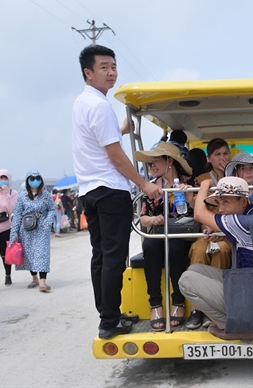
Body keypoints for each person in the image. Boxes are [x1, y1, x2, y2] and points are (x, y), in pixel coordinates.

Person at [72, 44, 161, 340]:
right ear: (88, 72)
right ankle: (110, 321)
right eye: (104, 67)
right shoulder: (99, 106)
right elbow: (115, 157)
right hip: (110, 191)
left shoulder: (82, 103)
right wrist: (145, 183)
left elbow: (100, 142)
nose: (111, 72)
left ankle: (106, 316)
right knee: (114, 257)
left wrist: (121, 130)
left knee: (101, 255)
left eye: (113, 66)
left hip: (90, 190)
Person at [179, 176, 253, 341]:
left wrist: (205, 184)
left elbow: (199, 214)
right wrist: (223, 237)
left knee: (185, 281)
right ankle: (238, 321)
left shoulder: (241, 221)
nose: (220, 209)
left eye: (225, 202)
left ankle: (236, 328)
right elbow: (247, 242)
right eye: (219, 203)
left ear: (243, 202)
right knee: (194, 270)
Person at [134, 142, 194, 331]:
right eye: (150, 163)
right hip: (160, 234)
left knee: (175, 249)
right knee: (150, 247)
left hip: (184, 234)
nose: (151, 166)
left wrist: (190, 195)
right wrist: (153, 220)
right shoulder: (151, 187)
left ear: (170, 161)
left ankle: (178, 301)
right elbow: (142, 218)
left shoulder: (190, 183)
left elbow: (199, 210)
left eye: (155, 161)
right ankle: (156, 304)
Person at [185, 138, 233, 329]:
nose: (222, 157)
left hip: (228, 230)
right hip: (207, 229)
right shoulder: (203, 179)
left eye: (225, 153)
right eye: (217, 154)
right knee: (198, 249)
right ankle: (198, 308)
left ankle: (215, 306)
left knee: (221, 250)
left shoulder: (236, 176)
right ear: (209, 158)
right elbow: (198, 207)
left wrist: (228, 174)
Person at [9, 170, 55, 293]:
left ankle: (43, 282)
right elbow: (17, 214)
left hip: (42, 229)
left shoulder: (46, 195)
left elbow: (51, 209)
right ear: (27, 180)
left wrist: (48, 220)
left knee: (42, 254)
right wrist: (15, 233)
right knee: (29, 254)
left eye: (37, 178)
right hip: (26, 229)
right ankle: (34, 278)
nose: (35, 181)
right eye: (32, 178)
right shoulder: (22, 196)